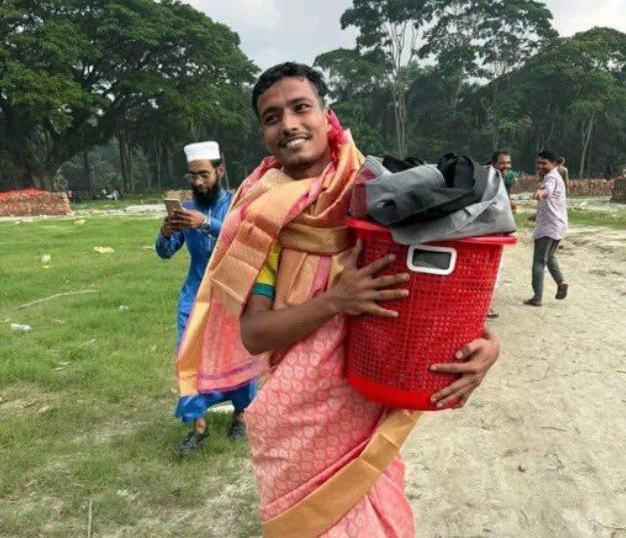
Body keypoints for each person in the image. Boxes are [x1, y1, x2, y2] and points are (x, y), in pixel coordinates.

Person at [176, 62, 501, 536]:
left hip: (367, 400)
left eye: (300, 107)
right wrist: (336, 300)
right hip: (294, 419)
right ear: (263, 134)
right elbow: (253, 332)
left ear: (327, 114)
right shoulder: (258, 217)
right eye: (271, 117)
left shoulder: (381, 194)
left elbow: (442, 291)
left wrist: (488, 345)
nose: (287, 124)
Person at [156, 141, 256, 454]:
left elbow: (244, 242)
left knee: (237, 356)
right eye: (192, 177)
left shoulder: (238, 205)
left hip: (231, 295)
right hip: (194, 296)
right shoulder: (187, 210)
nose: (198, 182)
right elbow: (163, 253)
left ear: (220, 170)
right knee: (189, 356)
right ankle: (198, 426)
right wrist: (167, 232)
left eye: (203, 175)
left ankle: (241, 414)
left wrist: (207, 224)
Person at [524, 149, 569, 307]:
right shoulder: (556, 177)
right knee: (549, 257)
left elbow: (546, 191)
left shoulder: (550, 178)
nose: (540, 166)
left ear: (554, 163)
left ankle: (537, 297)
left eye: (544, 163)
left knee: (538, 261)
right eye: (539, 163)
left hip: (548, 226)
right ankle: (561, 282)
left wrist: (540, 193)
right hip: (558, 224)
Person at [487, 150, 517, 319]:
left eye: (508, 163)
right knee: (491, 268)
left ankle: (486, 304)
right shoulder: (489, 181)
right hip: (489, 232)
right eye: (502, 163)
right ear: (494, 163)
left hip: (497, 232)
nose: (506, 166)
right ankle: (485, 306)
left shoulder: (502, 180)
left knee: (495, 267)